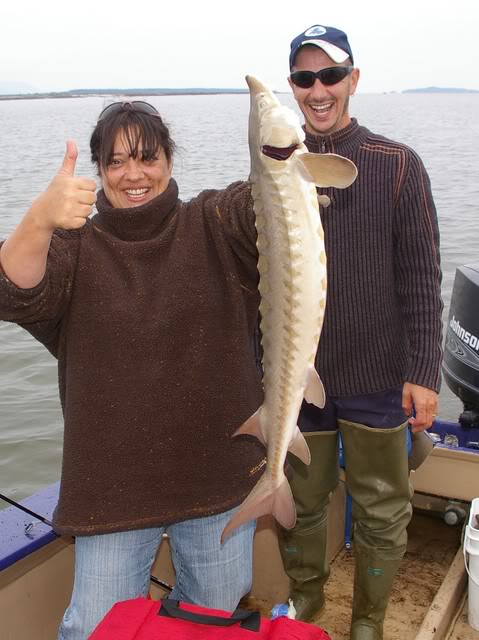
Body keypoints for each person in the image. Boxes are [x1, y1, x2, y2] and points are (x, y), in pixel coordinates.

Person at [0, 101, 267, 639]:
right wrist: (39, 218)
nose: (133, 174)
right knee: (97, 627)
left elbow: (261, 205)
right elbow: (14, 293)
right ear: (98, 170)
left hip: (218, 471)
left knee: (213, 623)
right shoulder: (74, 249)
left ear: (170, 159)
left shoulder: (214, 222)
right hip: (112, 487)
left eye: (147, 157)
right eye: (116, 161)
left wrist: (281, 152)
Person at [278, 25, 443, 640]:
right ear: (292, 87)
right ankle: (307, 604)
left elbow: (423, 278)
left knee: (381, 508)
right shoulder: (281, 169)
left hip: (379, 374)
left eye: (329, 75)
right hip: (303, 377)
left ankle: (369, 621)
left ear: (353, 80)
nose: (318, 90)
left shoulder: (397, 165)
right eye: (303, 78)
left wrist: (423, 372)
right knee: (304, 501)